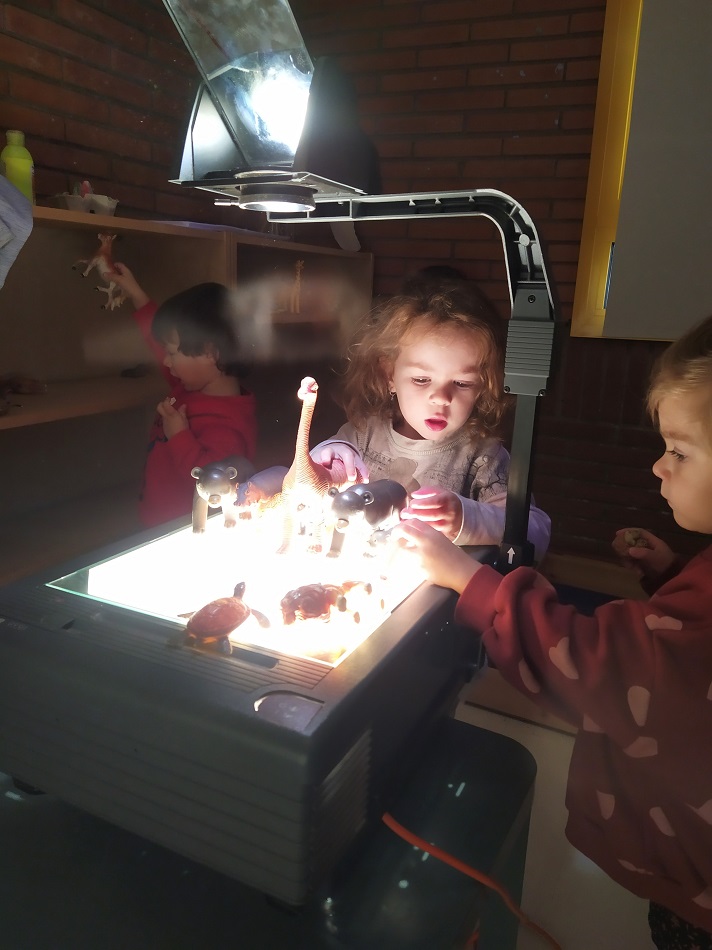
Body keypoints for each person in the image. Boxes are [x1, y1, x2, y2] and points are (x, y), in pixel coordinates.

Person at [396, 312, 712, 949]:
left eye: (679, 451)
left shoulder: (485, 456)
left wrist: (468, 578)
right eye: (421, 379)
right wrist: (672, 574)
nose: (659, 467)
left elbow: (598, 664)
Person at [310, 282, 551, 561]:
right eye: (422, 379)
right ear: (389, 375)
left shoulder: (483, 458)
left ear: (483, 386)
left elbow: (537, 531)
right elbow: (311, 481)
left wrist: (466, 519)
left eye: (462, 383)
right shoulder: (363, 433)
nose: (441, 398)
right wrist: (328, 455)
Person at [110, 264, 258, 528]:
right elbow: (159, 346)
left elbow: (212, 485)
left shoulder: (228, 424)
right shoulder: (190, 385)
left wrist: (179, 436)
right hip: (155, 516)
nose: (166, 361)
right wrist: (136, 294)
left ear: (210, 353)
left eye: (172, 353)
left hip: (182, 529)